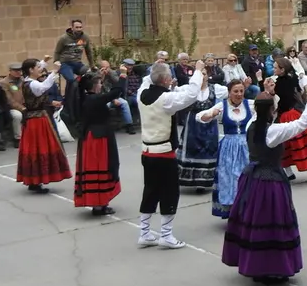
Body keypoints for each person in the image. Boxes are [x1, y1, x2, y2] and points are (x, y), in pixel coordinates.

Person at [221, 80, 307, 283]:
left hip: (251, 179)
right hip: (271, 183)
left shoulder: (250, 124)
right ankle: (272, 266)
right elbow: (302, 123)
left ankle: (255, 265)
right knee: (274, 224)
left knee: (254, 222)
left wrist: (268, 93)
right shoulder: (273, 131)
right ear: (273, 110)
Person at [137, 60, 205, 249]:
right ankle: (166, 235)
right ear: (166, 79)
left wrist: (156, 68)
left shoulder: (141, 93)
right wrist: (197, 72)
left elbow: (146, 80)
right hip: (164, 152)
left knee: (150, 190)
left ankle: (144, 232)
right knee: (169, 192)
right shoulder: (166, 100)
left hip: (147, 151)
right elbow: (191, 95)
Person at [74, 66, 128, 216]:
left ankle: (99, 203)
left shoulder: (86, 97)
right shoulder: (93, 99)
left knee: (97, 168)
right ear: (93, 86)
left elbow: (107, 94)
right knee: (101, 167)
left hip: (92, 136)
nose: (101, 85)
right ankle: (99, 204)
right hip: (98, 138)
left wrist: (104, 75)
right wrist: (122, 75)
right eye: (99, 83)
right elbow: (116, 92)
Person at [196, 79, 253, 220]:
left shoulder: (250, 105)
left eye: (241, 91)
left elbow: (270, 106)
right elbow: (199, 117)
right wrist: (210, 114)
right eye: (235, 91)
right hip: (229, 147)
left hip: (247, 146)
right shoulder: (222, 106)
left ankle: (248, 211)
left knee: (247, 179)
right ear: (229, 92)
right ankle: (234, 213)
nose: (239, 94)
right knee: (230, 179)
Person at [17, 59, 71, 193]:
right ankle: (37, 180)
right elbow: (44, 87)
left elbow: (40, 85)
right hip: (37, 121)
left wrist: (44, 62)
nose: (40, 69)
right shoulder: (33, 84)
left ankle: (34, 181)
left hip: (34, 119)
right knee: (40, 149)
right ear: (30, 70)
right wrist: (55, 71)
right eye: (38, 67)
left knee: (34, 150)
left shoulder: (28, 81)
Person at [273, 56, 307, 181]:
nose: (274, 69)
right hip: (294, 112)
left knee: (283, 144)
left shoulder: (280, 83)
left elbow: (272, 97)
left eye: (275, 67)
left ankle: (289, 173)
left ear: (282, 69)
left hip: (286, 114)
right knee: (302, 141)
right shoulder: (292, 78)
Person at [177, 67, 222, 197]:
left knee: (209, 148)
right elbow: (175, 92)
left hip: (209, 122)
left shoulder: (215, 88)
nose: (202, 77)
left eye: (204, 74)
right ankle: (189, 178)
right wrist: (173, 86)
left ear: (208, 76)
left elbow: (231, 92)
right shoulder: (190, 89)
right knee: (192, 147)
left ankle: (204, 182)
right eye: (200, 74)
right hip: (193, 123)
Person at [53, 19, 94, 84]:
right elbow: (57, 51)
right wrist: (56, 62)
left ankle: (80, 92)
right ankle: (70, 93)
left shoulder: (85, 37)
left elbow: (89, 52)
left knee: (90, 76)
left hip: (77, 63)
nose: (79, 29)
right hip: (65, 63)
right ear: (72, 28)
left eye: (80, 27)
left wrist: (92, 65)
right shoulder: (64, 38)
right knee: (71, 79)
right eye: (77, 27)